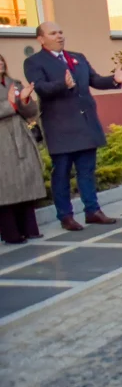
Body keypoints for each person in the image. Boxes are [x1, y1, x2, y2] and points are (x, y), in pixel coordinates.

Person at [24, 22, 122, 231]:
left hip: (85, 124)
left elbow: (94, 80)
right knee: (62, 173)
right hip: (60, 126)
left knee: (87, 171)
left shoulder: (77, 57)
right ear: (41, 39)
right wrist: (62, 85)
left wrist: (114, 80)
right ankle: (65, 216)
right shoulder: (34, 62)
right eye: (53, 33)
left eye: (61, 32)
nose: (59, 36)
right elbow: (41, 88)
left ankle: (92, 211)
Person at [0, 53, 45, 244]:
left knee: (26, 181)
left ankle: (30, 228)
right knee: (6, 186)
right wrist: (11, 104)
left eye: (1, 59)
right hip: (2, 140)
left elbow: (30, 112)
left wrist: (26, 101)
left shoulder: (14, 83)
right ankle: (11, 233)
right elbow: (9, 107)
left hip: (20, 135)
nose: (0, 63)